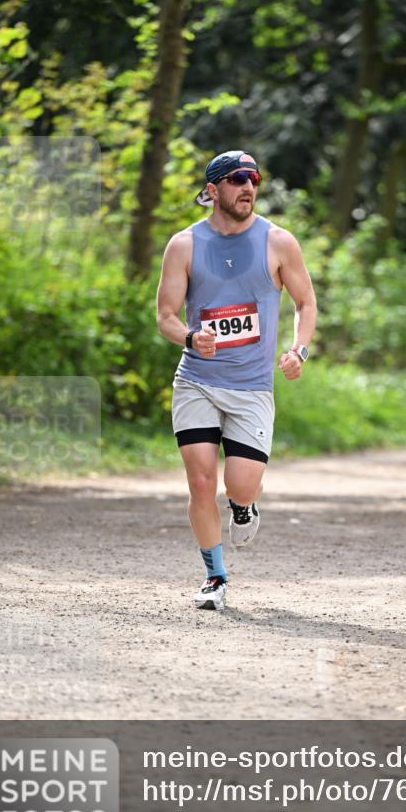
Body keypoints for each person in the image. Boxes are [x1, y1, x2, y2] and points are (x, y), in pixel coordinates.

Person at [156, 150, 317, 611]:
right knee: (201, 482)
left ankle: (244, 507)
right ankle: (215, 577)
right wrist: (189, 336)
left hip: (251, 388)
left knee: (239, 485)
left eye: (253, 178)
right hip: (197, 381)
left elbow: (306, 303)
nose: (247, 186)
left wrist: (297, 349)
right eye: (235, 179)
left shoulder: (279, 242)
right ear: (211, 190)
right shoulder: (184, 245)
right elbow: (165, 316)